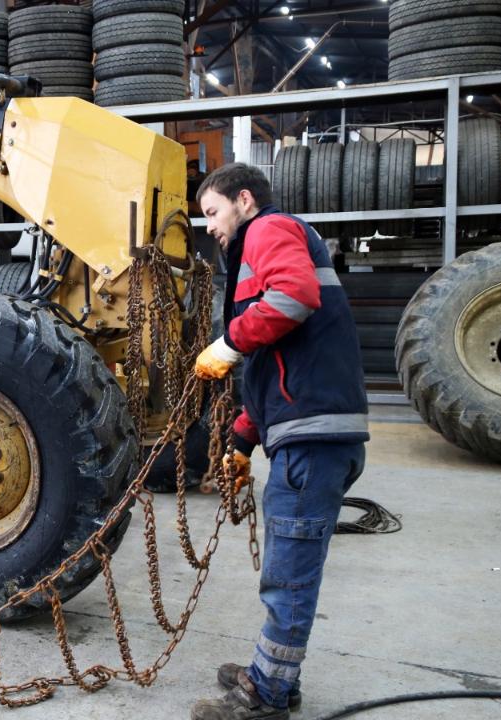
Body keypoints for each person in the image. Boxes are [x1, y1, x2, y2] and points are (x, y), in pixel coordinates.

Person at [189, 162, 369, 720]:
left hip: (314, 439)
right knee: (288, 564)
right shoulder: (261, 248)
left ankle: (265, 696)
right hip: (308, 429)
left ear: (244, 199)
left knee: (288, 571)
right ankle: (276, 677)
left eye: (213, 213)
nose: (211, 227)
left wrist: (228, 343)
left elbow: (294, 298)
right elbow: (276, 367)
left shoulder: (269, 229)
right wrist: (241, 440)